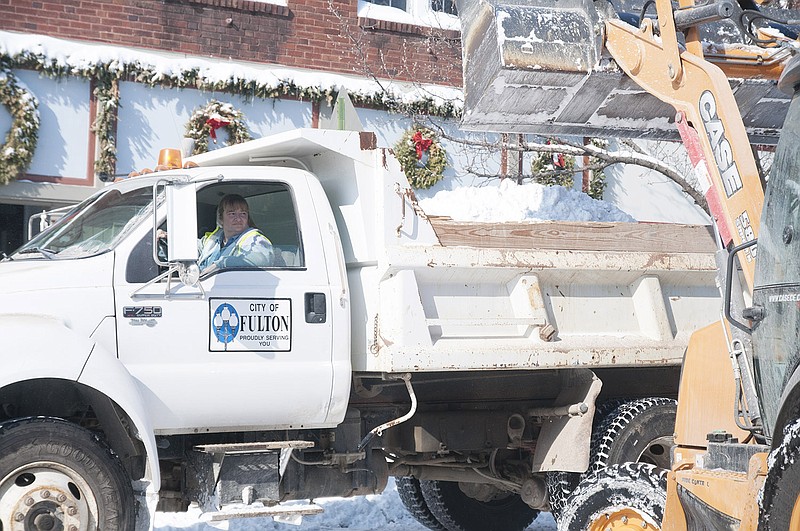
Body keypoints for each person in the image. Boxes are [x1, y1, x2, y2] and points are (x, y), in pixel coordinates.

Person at [198, 194, 276, 271]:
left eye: (243, 214)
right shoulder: (213, 238)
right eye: (232, 214)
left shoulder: (255, 239)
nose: (238, 219)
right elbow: (191, 249)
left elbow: (261, 260)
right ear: (221, 218)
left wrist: (220, 264)